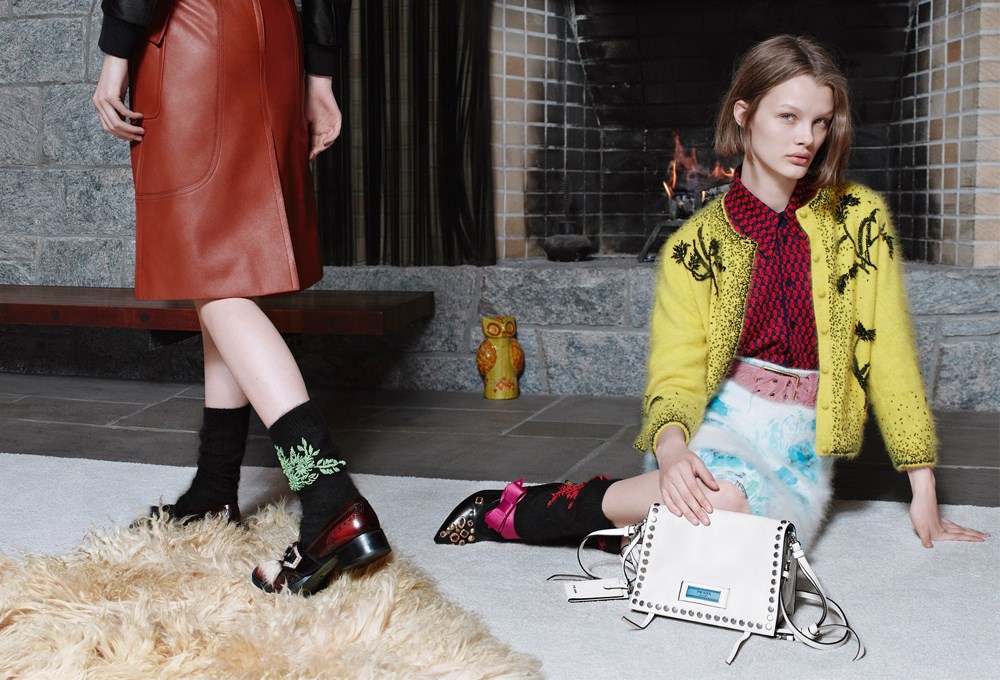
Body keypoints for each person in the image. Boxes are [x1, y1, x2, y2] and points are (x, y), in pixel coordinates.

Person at [435, 34, 989, 551]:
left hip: (802, 444)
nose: (806, 137)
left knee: (755, 554)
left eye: (820, 122)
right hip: (723, 422)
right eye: (788, 116)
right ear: (744, 114)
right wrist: (673, 448)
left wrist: (923, 487)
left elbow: (889, 353)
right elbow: (676, 371)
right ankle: (534, 510)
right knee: (719, 504)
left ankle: (623, 530)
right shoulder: (694, 246)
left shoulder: (859, 219)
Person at [92, 0, 390, 595]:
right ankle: (215, 487)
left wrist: (115, 54)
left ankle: (328, 494)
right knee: (219, 274)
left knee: (207, 270)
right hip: (275, 38)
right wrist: (319, 75)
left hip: (196, 36)